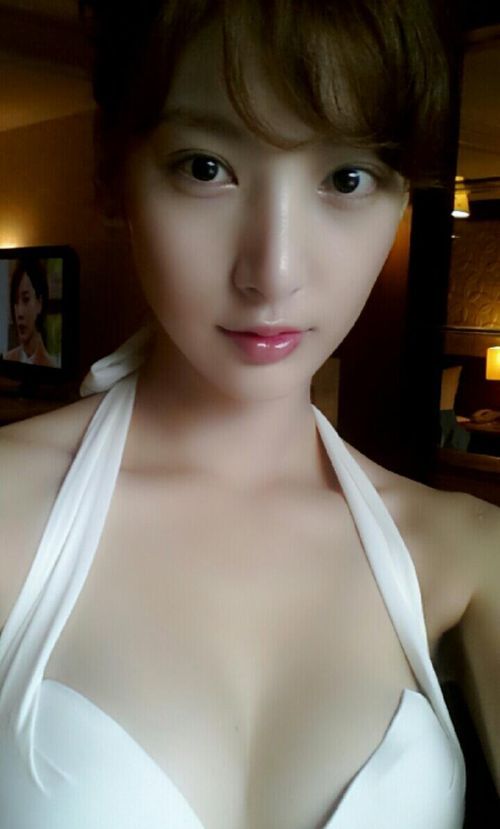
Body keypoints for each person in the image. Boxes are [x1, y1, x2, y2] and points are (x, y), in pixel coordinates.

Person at [0, 1, 498, 827]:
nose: (274, 271)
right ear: (112, 174)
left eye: (346, 179)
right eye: (206, 168)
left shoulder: (464, 554)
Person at [3, 258, 57, 367]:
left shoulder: (51, 365)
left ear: (39, 303)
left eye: (26, 299)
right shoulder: (7, 359)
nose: (19, 313)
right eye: (15, 301)